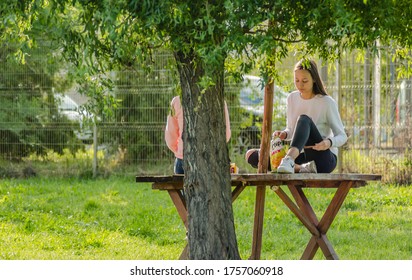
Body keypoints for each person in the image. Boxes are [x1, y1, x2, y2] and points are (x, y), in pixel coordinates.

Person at [246, 59, 348, 173]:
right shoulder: (292, 98)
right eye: (297, 80)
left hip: (323, 159)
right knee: (251, 155)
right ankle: (301, 168)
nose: (300, 85)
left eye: (304, 81)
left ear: (314, 79)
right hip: (301, 156)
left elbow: (342, 136)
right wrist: (284, 134)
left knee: (304, 119)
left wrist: (328, 143)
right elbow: (291, 130)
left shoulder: (326, 102)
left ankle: (289, 161)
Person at [165, 95, 231, 174]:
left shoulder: (177, 101)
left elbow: (170, 135)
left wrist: (180, 150)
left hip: (184, 157)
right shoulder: (218, 100)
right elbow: (226, 134)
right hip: (211, 158)